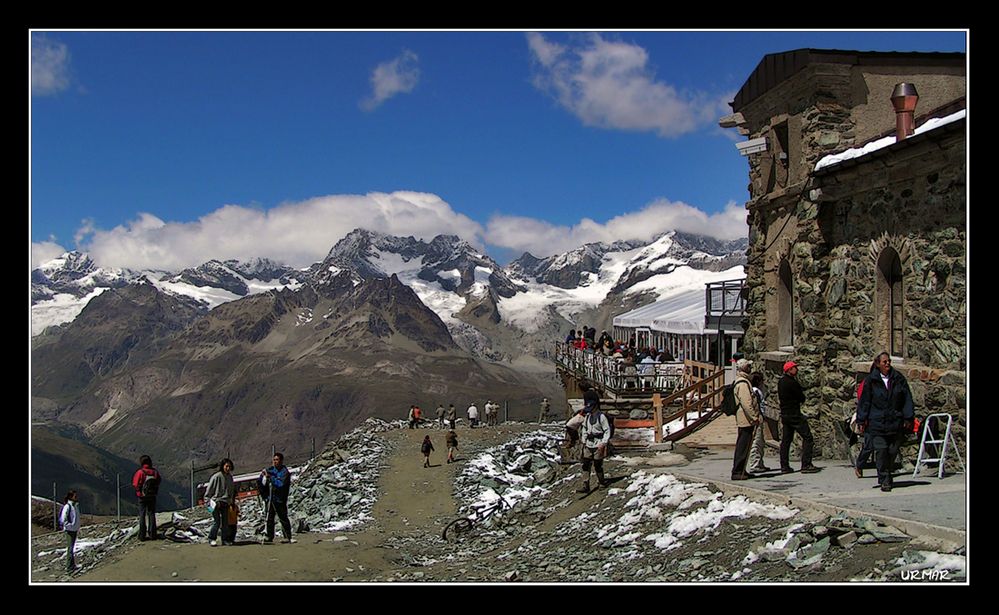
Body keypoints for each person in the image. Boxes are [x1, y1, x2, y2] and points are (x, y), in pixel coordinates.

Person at [857, 352, 914, 492]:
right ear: (878, 364)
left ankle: (887, 473)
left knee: (892, 450)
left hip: (894, 422)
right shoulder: (871, 381)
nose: (887, 364)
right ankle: (885, 479)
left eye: (889, 361)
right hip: (877, 422)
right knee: (881, 451)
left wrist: (908, 417)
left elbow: (907, 398)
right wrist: (861, 420)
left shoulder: (898, 379)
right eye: (884, 362)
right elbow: (865, 402)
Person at [778, 362, 820, 474]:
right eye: (794, 368)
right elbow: (801, 397)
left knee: (786, 440)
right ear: (789, 370)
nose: (796, 369)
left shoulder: (781, 382)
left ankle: (784, 465)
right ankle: (806, 464)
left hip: (785, 414)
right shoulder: (792, 382)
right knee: (808, 437)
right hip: (794, 414)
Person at [576, 382, 611, 494]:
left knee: (597, 464)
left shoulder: (601, 417)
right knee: (585, 464)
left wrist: (604, 442)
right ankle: (585, 484)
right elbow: (585, 428)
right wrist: (584, 440)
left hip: (598, 442)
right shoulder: (588, 417)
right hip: (589, 443)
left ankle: (601, 482)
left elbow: (607, 430)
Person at [731, 359, 762, 480]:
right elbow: (746, 403)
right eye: (748, 366)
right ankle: (738, 471)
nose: (750, 368)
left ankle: (742, 469)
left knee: (745, 445)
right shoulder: (743, 383)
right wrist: (754, 417)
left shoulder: (743, 381)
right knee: (743, 445)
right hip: (746, 419)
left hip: (745, 418)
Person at [259, 453, 294, 544]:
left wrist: (271, 478)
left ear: (281, 461)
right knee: (270, 518)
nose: (275, 462)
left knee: (283, 517)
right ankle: (269, 536)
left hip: (280, 498)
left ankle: (287, 536)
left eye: (277, 460)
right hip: (271, 498)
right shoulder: (271, 470)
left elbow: (281, 484)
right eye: (274, 460)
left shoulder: (284, 472)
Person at [204, 458, 236, 546]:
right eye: (226, 466)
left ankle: (224, 539)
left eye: (229, 466)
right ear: (222, 466)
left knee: (225, 523)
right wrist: (208, 503)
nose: (228, 468)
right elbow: (208, 492)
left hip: (225, 503)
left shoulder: (230, 477)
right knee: (217, 522)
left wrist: (231, 501)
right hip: (216, 503)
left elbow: (231, 491)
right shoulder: (216, 477)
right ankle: (211, 538)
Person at [131, 455, 161, 541]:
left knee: (142, 514)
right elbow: (158, 481)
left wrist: (139, 492)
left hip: (142, 496)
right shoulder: (155, 472)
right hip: (152, 496)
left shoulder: (140, 472)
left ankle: (142, 535)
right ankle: (153, 534)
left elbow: (135, 484)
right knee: (151, 514)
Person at [747, 372, 772, 474]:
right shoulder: (755, 391)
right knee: (756, 442)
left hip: (758, 418)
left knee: (760, 441)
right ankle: (755, 464)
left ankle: (759, 463)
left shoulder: (755, 391)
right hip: (757, 418)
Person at [59, 490, 80, 573]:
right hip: (69, 530)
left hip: (74, 529)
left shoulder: (75, 506)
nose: (76, 497)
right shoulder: (68, 506)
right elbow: (63, 518)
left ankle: (72, 565)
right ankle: (69, 566)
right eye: (75, 496)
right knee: (70, 548)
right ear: (71, 497)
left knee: (71, 548)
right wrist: (69, 525)